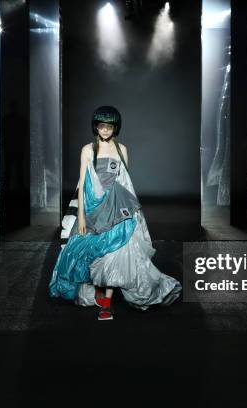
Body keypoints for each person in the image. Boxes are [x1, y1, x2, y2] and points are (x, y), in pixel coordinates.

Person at [49, 105, 182, 320]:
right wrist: (81, 215)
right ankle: (99, 294)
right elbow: (82, 184)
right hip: (93, 211)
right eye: (101, 126)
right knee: (85, 252)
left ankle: (107, 304)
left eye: (109, 126)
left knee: (116, 254)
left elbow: (125, 185)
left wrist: (132, 214)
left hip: (116, 213)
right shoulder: (87, 150)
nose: (105, 130)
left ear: (115, 127)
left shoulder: (122, 150)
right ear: (96, 126)